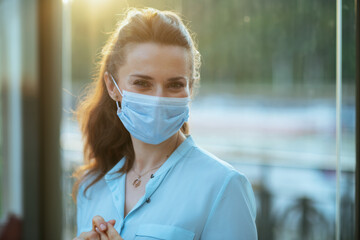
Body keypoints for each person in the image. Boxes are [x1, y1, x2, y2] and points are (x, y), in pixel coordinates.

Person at [73, 7, 257, 240]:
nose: (158, 100)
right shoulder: (92, 186)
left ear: (191, 87)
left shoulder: (223, 186)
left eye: (174, 85)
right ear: (112, 87)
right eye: (142, 83)